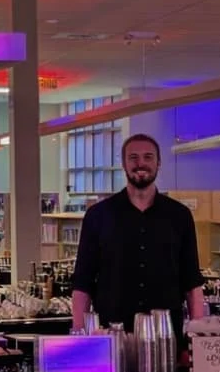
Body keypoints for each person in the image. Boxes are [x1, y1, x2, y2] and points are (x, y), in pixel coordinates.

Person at [71, 133, 207, 333]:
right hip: (112, 335)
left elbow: (192, 282)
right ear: (124, 164)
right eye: (133, 157)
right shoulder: (98, 216)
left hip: (167, 337)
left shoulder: (179, 216)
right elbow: (83, 282)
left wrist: (198, 336)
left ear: (158, 163)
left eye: (148, 157)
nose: (140, 163)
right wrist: (79, 334)